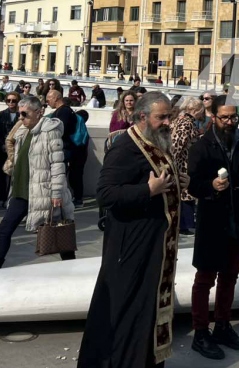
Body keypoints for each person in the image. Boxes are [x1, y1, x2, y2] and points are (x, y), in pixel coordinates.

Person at [79, 91, 186, 368]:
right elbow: (105, 194)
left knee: (147, 314)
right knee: (130, 317)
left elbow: (161, 183)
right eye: (161, 117)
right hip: (131, 250)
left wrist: (178, 182)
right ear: (142, 117)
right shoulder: (126, 146)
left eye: (169, 116)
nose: (167, 122)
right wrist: (147, 190)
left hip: (154, 249)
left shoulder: (156, 142)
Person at [186, 103, 239, 360]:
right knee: (204, 279)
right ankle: (200, 332)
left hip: (237, 224)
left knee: (229, 277)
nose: (229, 122)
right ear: (214, 117)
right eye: (224, 117)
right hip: (212, 223)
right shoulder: (201, 146)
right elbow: (192, 184)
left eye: (233, 117)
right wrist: (211, 185)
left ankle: (222, 326)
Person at [0, 95, 76, 268]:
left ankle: (71, 267)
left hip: (43, 191)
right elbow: (10, 142)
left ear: (39, 112)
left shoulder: (50, 131)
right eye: (19, 114)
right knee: (4, 229)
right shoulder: (22, 129)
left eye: (24, 114)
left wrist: (56, 193)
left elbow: (57, 164)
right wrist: (10, 164)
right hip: (20, 191)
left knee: (57, 231)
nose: (20, 117)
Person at [170, 97, 203, 237]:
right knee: (185, 194)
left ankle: (186, 223)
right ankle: (185, 224)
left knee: (185, 194)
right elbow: (177, 145)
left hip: (182, 161)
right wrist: (173, 164)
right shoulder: (187, 123)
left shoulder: (181, 119)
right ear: (195, 110)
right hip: (183, 163)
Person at [0, 91, 20, 205]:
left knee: (14, 175)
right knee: (1, 174)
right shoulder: (1, 114)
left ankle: (11, 198)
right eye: (8, 100)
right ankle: (0, 198)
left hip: (16, 148)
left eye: (14, 100)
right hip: (2, 148)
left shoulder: (21, 114)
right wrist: (2, 144)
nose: (11, 103)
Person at [46, 89, 78, 164]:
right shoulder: (63, 110)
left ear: (55, 98)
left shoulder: (64, 111)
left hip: (62, 149)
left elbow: (60, 130)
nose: (47, 103)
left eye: (48, 100)